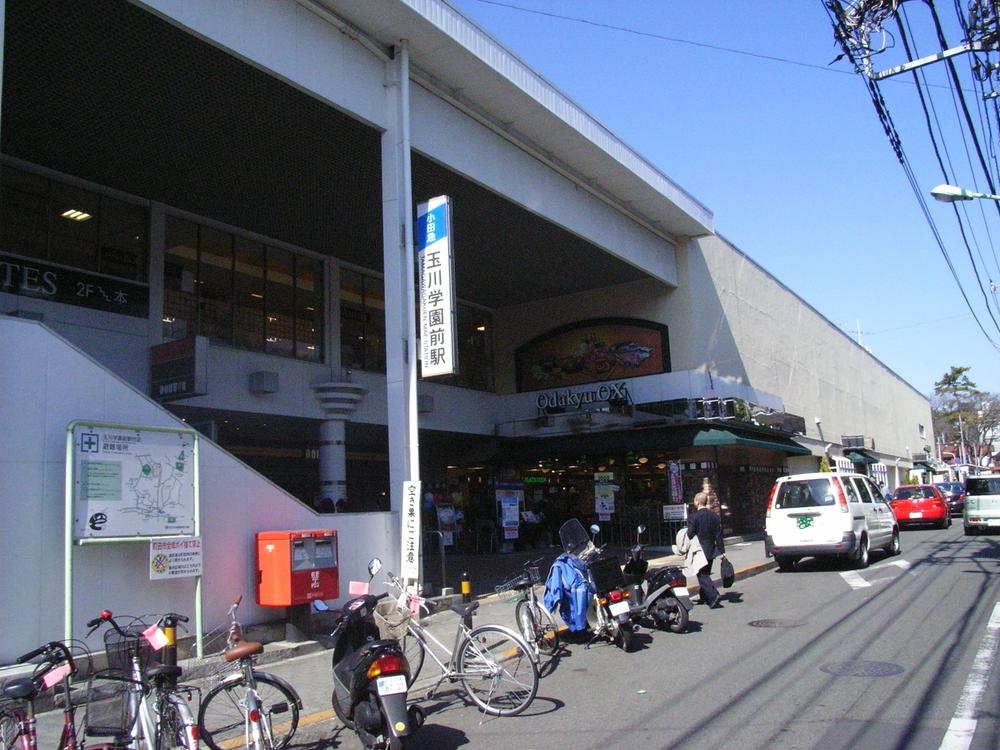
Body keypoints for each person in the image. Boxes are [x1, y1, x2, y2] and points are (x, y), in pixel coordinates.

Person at [687, 491, 726, 608]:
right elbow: (719, 536)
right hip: (711, 549)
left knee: (701, 574)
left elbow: (690, 534)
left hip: (699, 550)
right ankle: (704, 596)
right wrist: (722, 551)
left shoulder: (694, 517)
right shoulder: (715, 516)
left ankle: (713, 597)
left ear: (697, 502)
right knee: (706, 572)